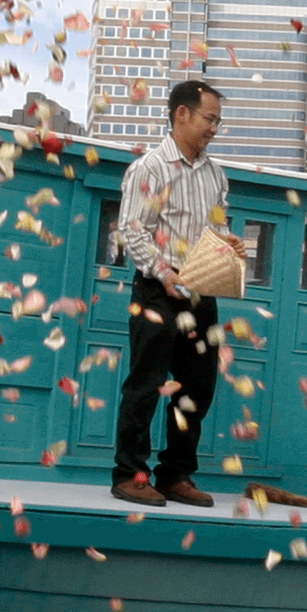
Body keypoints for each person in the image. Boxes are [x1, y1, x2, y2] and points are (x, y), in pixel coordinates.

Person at [110, 79, 238, 508]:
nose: (215, 128)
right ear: (181, 114)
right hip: (157, 290)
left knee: (198, 386)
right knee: (147, 383)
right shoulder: (149, 168)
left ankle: (175, 474)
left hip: (202, 289)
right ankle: (130, 474)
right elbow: (131, 230)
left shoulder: (216, 174)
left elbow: (217, 228)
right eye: (210, 119)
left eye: (218, 121)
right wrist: (165, 273)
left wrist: (229, 246)